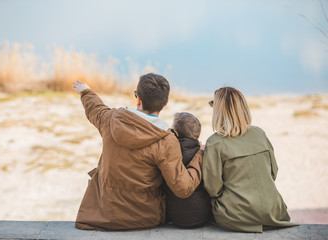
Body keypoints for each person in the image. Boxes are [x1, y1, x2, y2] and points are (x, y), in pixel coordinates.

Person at [72, 73, 203, 231]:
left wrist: (86, 91)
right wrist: (199, 156)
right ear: (165, 103)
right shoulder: (166, 141)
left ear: (138, 99)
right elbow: (183, 188)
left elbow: (95, 109)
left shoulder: (110, 120)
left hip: (103, 215)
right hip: (145, 218)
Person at [202, 86, 298, 233]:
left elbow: (213, 188)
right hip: (274, 212)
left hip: (236, 216)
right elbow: (274, 172)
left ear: (218, 112)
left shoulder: (214, 142)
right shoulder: (259, 133)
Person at [164, 112, 212, 228]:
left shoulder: (169, 152)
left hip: (173, 215)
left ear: (175, 133)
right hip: (202, 214)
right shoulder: (203, 153)